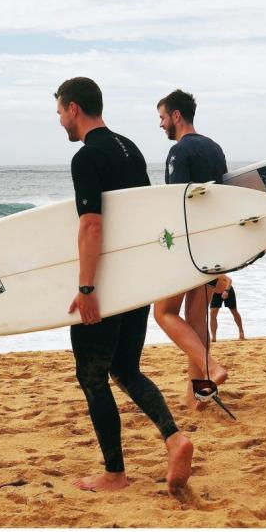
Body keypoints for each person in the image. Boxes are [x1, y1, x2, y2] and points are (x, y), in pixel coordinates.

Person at [55, 76, 193, 494]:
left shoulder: (86, 157)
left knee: (92, 376)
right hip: (136, 279)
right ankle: (174, 438)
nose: (60, 119)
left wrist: (87, 289)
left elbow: (92, 224)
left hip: (107, 285)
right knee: (125, 368)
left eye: (60, 111)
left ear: (74, 108)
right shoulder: (129, 147)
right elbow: (146, 215)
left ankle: (115, 473)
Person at [151, 89, 230, 410]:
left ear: (176, 116)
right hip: (212, 244)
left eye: (162, 117)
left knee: (164, 312)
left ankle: (211, 369)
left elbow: (176, 203)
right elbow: (224, 199)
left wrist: (164, 246)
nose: (161, 125)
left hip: (187, 245)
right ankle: (198, 395)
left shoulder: (179, 152)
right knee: (195, 321)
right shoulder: (215, 148)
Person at [206, 275, 245, 342]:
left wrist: (226, 291)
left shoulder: (216, 273)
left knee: (234, 311)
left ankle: (241, 332)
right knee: (212, 315)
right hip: (215, 294)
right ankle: (213, 337)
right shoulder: (202, 278)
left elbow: (229, 280)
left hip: (227, 290)